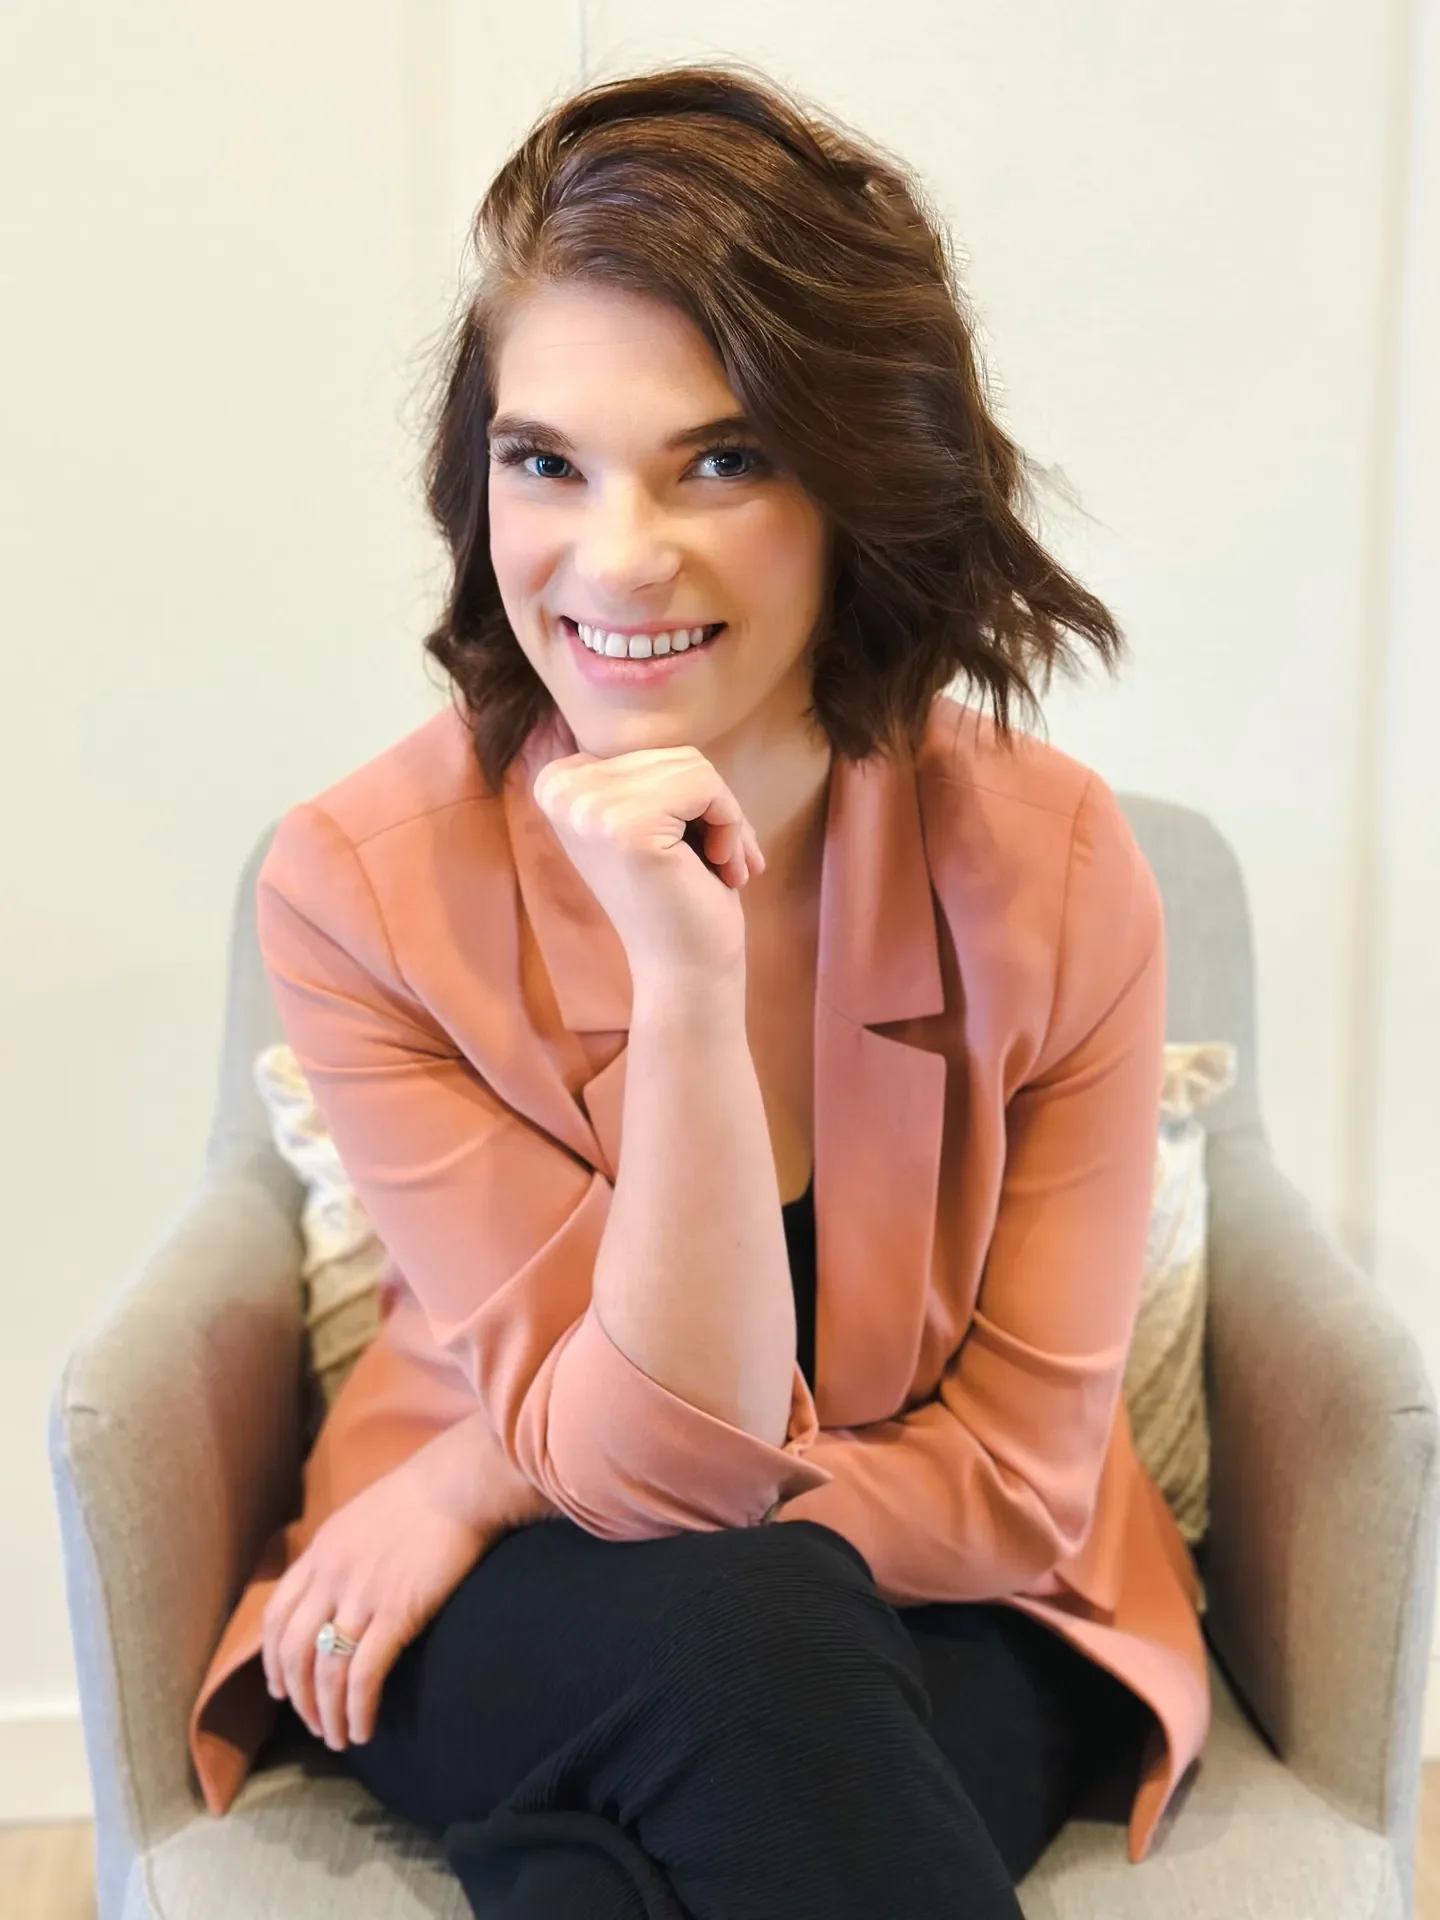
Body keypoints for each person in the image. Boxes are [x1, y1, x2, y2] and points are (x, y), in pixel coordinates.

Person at [187, 57, 1210, 1920]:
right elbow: (657, 1478)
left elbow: (1015, 1481)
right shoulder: (359, 888)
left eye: (721, 459)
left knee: (643, 1821)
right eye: (543, 462)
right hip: (521, 1617)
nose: (615, 559)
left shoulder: (1053, 871)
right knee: (745, 1636)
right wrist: (686, 977)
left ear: (860, 484)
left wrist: (481, 1478)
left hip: (951, 1590)